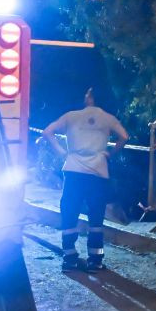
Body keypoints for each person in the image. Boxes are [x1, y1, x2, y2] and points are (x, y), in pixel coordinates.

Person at [42, 88, 129, 271]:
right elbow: (124, 136)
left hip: (73, 170)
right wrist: (110, 153)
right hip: (98, 171)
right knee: (96, 215)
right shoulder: (108, 118)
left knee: (69, 211)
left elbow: (47, 132)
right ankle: (95, 260)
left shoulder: (71, 116)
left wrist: (62, 152)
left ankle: (69, 257)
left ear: (89, 98)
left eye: (87, 93)